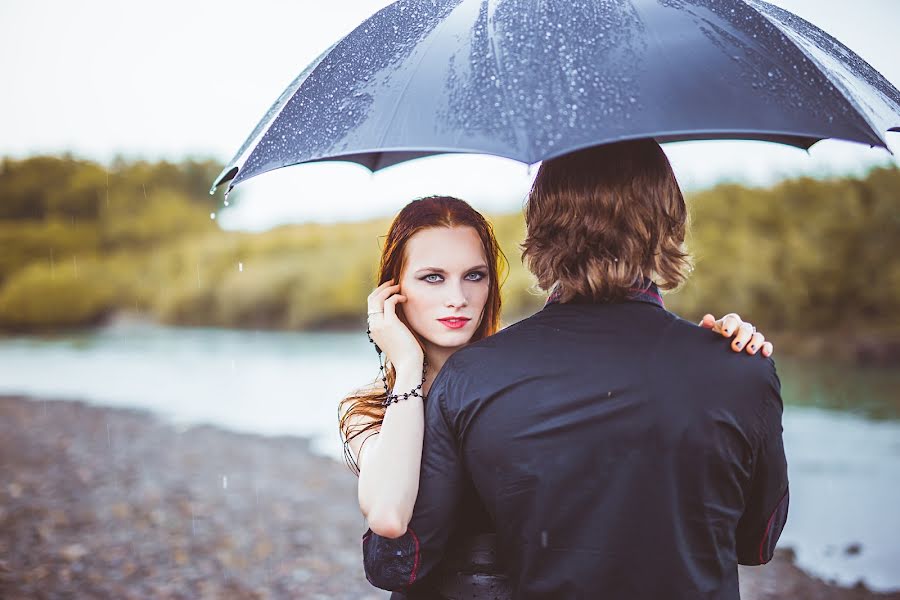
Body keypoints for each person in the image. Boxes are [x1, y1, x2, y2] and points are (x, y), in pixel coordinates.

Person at [341, 180, 777, 598]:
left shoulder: (508, 374)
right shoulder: (368, 409)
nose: (457, 297)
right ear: (391, 290)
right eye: (432, 277)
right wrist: (408, 365)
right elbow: (389, 532)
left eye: (474, 276)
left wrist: (723, 350)